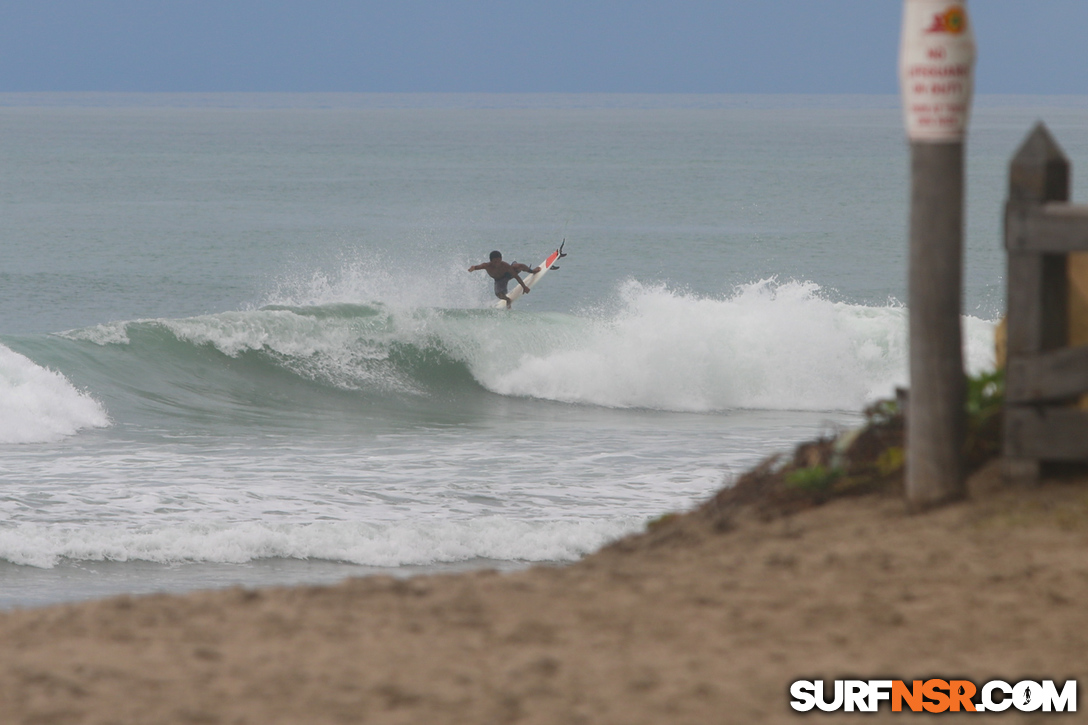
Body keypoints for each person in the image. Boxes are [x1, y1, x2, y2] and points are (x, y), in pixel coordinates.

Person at [468, 251, 541, 307]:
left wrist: (524, 287)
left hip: (508, 275)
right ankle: (508, 300)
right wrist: (473, 268)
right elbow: (476, 267)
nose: (497, 263)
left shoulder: (505, 265)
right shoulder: (487, 265)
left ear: (501, 259)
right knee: (499, 295)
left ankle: (532, 271)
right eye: (495, 261)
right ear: (491, 261)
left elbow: (516, 276)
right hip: (499, 281)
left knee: (518, 266)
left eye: (499, 260)